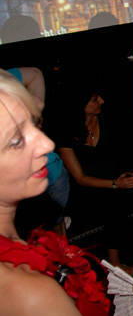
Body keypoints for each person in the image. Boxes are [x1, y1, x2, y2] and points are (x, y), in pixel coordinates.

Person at [0, 69, 133, 316]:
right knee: (113, 204)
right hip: (93, 191)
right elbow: (81, 178)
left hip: (112, 182)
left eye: (35, 124)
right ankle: (116, 261)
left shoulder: (29, 247)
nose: (46, 144)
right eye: (16, 141)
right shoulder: (31, 291)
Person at [56, 88, 133, 277]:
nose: (101, 101)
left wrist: (127, 176)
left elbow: (124, 153)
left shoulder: (106, 120)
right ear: (81, 106)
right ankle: (115, 263)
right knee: (112, 200)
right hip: (87, 188)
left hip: (114, 177)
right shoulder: (66, 135)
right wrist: (115, 184)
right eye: (95, 99)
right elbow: (80, 178)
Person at [6, 67, 70, 235]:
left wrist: (34, 116)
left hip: (51, 173)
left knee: (56, 225)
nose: (46, 144)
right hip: (24, 189)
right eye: (16, 141)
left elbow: (35, 76)